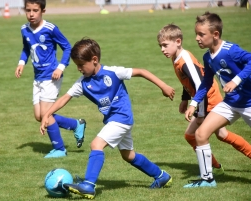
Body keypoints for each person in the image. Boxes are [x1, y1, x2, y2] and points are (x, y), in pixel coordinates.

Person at [40, 38, 175, 199]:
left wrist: (164, 86)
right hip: (114, 120)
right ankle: (161, 176)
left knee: (96, 144)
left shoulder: (113, 72)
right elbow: (64, 98)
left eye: (81, 65)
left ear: (94, 60)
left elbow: (141, 71)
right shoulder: (82, 83)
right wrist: (47, 114)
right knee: (128, 155)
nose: (78, 69)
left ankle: (88, 185)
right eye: (77, 65)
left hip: (122, 117)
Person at [157, 24, 251, 177]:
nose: (162, 49)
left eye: (165, 45)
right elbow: (188, 82)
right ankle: (215, 166)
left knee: (193, 135)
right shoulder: (176, 57)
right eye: (161, 46)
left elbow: (200, 83)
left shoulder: (185, 60)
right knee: (220, 135)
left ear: (178, 42)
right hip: (203, 99)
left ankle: (213, 168)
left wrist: (200, 112)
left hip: (209, 100)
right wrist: (184, 99)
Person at [184, 12, 251, 187]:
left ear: (215, 35)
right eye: (196, 34)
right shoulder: (207, 57)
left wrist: (236, 81)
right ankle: (207, 180)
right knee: (200, 134)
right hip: (230, 103)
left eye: (201, 34)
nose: (197, 38)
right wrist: (193, 103)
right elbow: (206, 82)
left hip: (249, 102)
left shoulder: (231, 51)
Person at [15, 0, 86, 158]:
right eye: (28, 10)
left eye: (35, 10)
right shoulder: (24, 29)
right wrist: (21, 62)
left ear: (43, 11)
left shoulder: (50, 29)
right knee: (39, 116)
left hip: (51, 76)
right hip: (37, 78)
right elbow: (27, 48)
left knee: (46, 115)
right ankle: (76, 125)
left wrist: (60, 67)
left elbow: (67, 46)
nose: (31, 14)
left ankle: (60, 149)